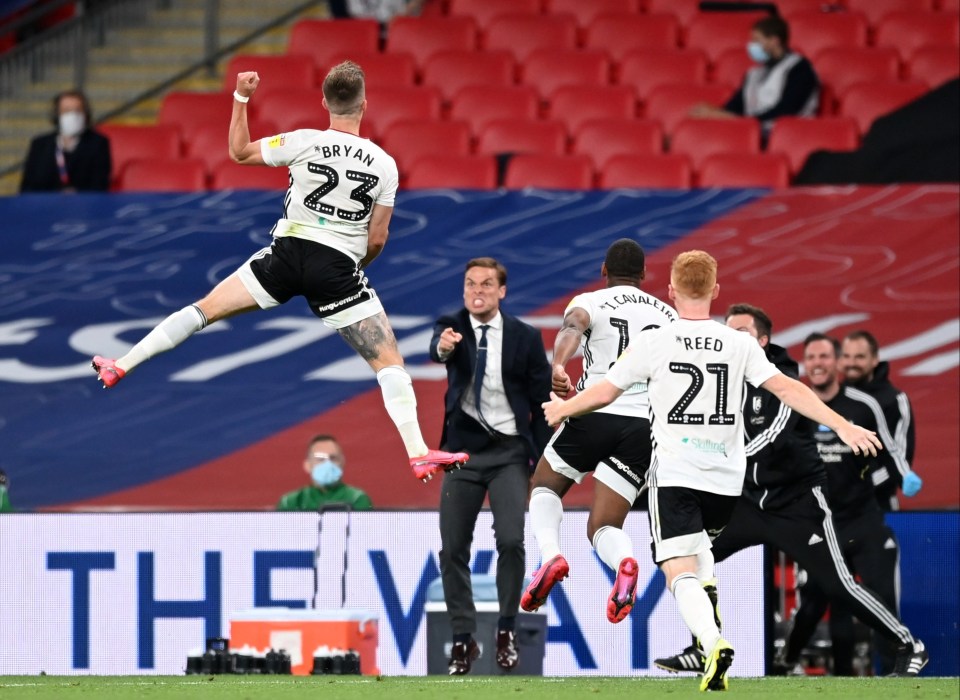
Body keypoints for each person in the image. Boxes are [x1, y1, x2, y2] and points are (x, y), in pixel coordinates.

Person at [541, 251, 920, 691]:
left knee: (675, 566)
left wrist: (563, 408)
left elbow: (605, 391)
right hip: (726, 484)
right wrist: (842, 424)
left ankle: (711, 641)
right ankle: (707, 631)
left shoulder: (656, 340)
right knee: (703, 557)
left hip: (678, 476)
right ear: (715, 292)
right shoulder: (738, 343)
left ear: (670, 292)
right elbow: (788, 387)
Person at [91, 62, 467, 482]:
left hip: (285, 256)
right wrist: (352, 268)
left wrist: (241, 98)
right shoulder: (384, 165)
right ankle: (417, 453)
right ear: (365, 104)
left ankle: (121, 364)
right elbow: (377, 238)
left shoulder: (303, 140)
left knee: (204, 310)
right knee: (388, 362)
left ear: (324, 103)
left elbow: (238, 152)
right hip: (337, 267)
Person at [652, 316, 928, 680]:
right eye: (728, 331)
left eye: (742, 333)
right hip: (749, 502)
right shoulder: (724, 378)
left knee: (836, 585)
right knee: (692, 556)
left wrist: (716, 455)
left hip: (796, 503)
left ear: (762, 341)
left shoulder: (783, 380)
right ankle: (701, 645)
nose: (732, 339)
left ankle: (909, 645)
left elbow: (772, 436)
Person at [521, 239, 677, 624]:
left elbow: (573, 325)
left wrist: (559, 364)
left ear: (604, 270)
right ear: (644, 275)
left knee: (543, 484)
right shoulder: (669, 316)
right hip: (644, 427)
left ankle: (551, 553)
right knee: (604, 524)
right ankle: (625, 560)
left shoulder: (592, 300)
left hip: (595, 411)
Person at [428, 257, 552, 675]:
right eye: (469, 284)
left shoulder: (525, 337)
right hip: (462, 453)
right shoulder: (452, 326)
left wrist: (544, 458)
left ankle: (506, 630)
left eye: (485, 284)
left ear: (502, 291)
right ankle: (463, 639)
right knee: (451, 550)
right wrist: (443, 347)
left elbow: (540, 402)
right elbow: (438, 347)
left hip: (509, 453)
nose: (476, 291)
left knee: (512, 541)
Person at [782, 333, 912, 676]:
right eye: (811, 357)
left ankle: (896, 673)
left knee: (881, 597)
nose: (818, 363)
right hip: (816, 523)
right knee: (814, 603)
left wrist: (888, 478)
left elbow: (892, 454)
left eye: (825, 356)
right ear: (805, 364)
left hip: (862, 517)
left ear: (836, 363)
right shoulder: (794, 405)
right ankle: (787, 661)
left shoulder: (863, 405)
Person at [689, 15, 819, 138]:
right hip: (750, 131)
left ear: (774, 41)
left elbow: (785, 111)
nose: (751, 45)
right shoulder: (754, 73)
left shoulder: (800, 69)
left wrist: (732, 118)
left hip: (786, 135)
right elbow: (736, 106)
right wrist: (713, 112)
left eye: (756, 40)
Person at [840, 330, 920, 511]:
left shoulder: (894, 399)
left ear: (875, 359)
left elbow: (901, 458)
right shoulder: (831, 397)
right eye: (847, 356)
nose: (852, 363)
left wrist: (856, 488)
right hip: (833, 507)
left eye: (859, 357)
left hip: (878, 505)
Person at [20, 89, 111, 193]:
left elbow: (100, 185)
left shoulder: (98, 143)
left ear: (85, 114)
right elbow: (27, 187)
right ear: (57, 115)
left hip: (83, 205)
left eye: (78, 110)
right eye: (66, 111)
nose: (73, 115)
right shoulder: (40, 144)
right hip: (45, 206)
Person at [277, 434, 372, 511]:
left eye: (333, 458)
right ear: (307, 465)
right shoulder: (290, 502)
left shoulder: (357, 498)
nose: (327, 464)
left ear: (342, 462)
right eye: (320, 459)